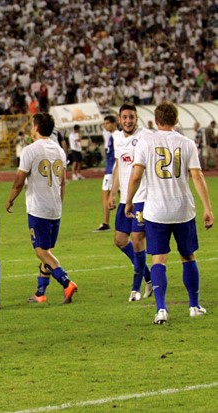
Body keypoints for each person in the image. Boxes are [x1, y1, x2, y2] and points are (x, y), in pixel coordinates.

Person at [125, 101, 213, 324]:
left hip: (156, 211)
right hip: (183, 209)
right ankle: (194, 305)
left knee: (158, 259)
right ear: (176, 120)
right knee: (188, 256)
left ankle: (161, 309)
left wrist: (128, 201)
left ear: (156, 120)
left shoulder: (146, 142)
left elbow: (136, 176)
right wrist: (208, 208)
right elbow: (197, 176)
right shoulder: (187, 143)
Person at [5, 112, 78, 304]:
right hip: (55, 208)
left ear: (36, 127)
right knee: (46, 250)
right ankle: (40, 293)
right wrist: (59, 203)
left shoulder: (30, 150)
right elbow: (63, 182)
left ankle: (66, 281)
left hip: (38, 209)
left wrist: (10, 199)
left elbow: (19, 180)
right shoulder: (59, 151)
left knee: (40, 251)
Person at [107, 103, 152, 301]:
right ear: (119, 119)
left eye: (131, 117)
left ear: (136, 118)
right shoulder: (117, 139)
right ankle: (149, 278)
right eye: (124, 117)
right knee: (120, 240)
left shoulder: (145, 136)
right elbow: (119, 166)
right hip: (125, 198)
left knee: (137, 241)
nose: (128, 121)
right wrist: (112, 193)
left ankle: (136, 289)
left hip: (141, 198)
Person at [95, 115, 118, 232]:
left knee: (105, 195)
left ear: (114, 123)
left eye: (108, 123)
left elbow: (117, 156)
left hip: (112, 170)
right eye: (104, 124)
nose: (105, 126)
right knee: (122, 194)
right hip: (112, 169)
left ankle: (105, 223)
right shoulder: (111, 136)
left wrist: (113, 171)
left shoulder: (116, 136)